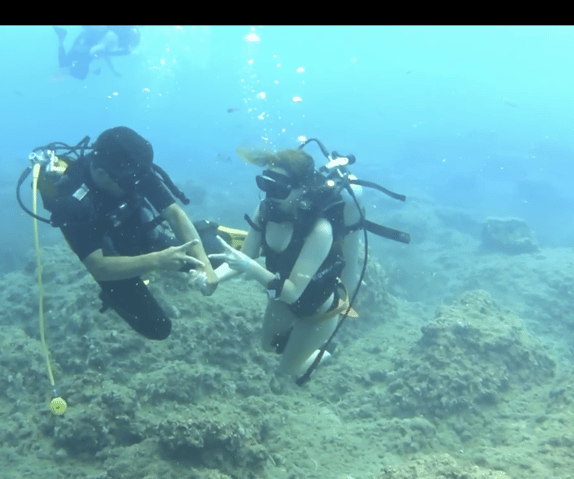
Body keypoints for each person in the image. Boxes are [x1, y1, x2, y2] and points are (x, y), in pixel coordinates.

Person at [29, 127, 218, 340]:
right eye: (130, 183)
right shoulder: (72, 203)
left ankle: (206, 236)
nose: (136, 185)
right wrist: (157, 261)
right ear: (101, 174)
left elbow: (173, 213)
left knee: (215, 260)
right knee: (157, 328)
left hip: (140, 234)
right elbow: (98, 267)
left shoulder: (133, 169)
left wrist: (205, 265)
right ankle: (115, 297)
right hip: (109, 258)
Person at [209, 147, 365, 378]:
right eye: (265, 185)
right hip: (280, 297)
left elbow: (291, 291)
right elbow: (245, 255)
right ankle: (303, 347)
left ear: (302, 189)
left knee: (287, 374)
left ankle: (325, 352)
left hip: (317, 311)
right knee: (268, 348)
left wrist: (248, 266)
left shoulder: (320, 229)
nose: (270, 195)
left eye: (278, 188)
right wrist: (211, 278)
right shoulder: (264, 211)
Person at [53, 26, 140, 80]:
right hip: (83, 48)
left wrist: (113, 70)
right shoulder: (111, 39)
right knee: (65, 66)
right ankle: (61, 38)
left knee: (68, 67)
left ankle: (62, 38)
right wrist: (120, 54)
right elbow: (98, 52)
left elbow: (103, 54)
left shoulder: (110, 39)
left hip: (83, 48)